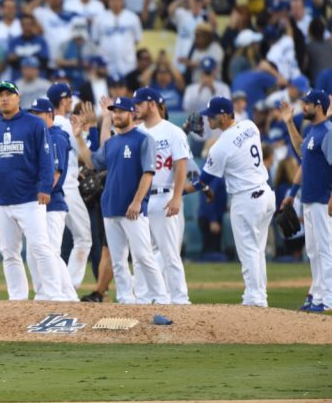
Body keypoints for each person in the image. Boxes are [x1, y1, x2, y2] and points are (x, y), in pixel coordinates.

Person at [74, 96, 169, 304]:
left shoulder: (143, 139)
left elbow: (148, 174)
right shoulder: (112, 143)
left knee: (143, 257)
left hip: (132, 210)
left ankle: (161, 299)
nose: (116, 115)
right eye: (114, 111)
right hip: (110, 208)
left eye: (121, 111)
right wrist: (79, 138)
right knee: (117, 260)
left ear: (131, 114)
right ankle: (126, 299)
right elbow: (92, 163)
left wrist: (137, 202)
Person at [193, 97, 276, 307]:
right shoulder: (250, 125)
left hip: (246, 199)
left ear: (223, 115)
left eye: (211, 115)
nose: (208, 118)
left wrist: (178, 192)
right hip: (265, 194)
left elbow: (203, 181)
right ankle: (258, 296)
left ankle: (255, 299)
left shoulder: (221, 146)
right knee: (257, 251)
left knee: (249, 251)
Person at [0, 81, 64, 301]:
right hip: (2, 199)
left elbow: (46, 158)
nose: (3, 98)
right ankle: (17, 298)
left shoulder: (34, 124)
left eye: (8, 94)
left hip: (30, 198)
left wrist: (45, 187)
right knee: (9, 252)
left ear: (18, 98)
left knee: (39, 246)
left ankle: (54, 294)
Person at [133, 87, 192, 305]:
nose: (135, 107)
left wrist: (177, 196)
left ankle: (179, 298)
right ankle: (143, 298)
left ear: (151, 104)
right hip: (142, 198)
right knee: (141, 254)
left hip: (164, 195)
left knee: (169, 253)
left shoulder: (172, 131)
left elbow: (181, 166)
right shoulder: (136, 132)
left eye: (139, 103)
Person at [280, 91, 332, 312]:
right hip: (309, 200)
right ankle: (318, 296)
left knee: (325, 249)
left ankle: (328, 298)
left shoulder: (328, 132)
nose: (303, 107)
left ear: (318, 106)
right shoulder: (313, 131)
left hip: (322, 199)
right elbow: (303, 154)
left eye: (307, 104)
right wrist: (289, 123)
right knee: (313, 249)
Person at [28, 98, 79, 301]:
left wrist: (41, 192)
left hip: (51, 202)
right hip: (42, 204)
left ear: (50, 115)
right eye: (31, 114)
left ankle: (67, 296)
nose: (33, 118)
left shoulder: (55, 136)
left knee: (49, 252)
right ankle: (48, 294)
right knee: (39, 252)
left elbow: (55, 174)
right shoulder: (41, 136)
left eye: (37, 114)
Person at [47, 83, 92, 290]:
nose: (72, 102)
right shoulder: (65, 124)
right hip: (68, 188)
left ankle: (51, 285)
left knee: (50, 243)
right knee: (83, 238)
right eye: (69, 98)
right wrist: (85, 131)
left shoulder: (44, 122)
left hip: (50, 186)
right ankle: (69, 285)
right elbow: (88, 158)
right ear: (63, 101)